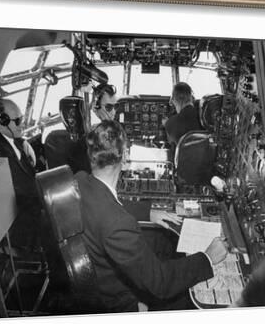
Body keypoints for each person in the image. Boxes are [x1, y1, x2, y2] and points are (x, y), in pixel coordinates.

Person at [74, 120, 228, 312]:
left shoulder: (79, 180)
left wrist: (149, 212)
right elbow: (160, 283)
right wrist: (208, 258)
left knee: (162, 242)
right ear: (125, 157)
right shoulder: (118, 224)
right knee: (183, 301)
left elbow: (105, 203)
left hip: (94, 268)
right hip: (116, 300)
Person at [0, 98, 40, 248]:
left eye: (22, 119)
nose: (22, 124)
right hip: (21, 225)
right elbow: (18, 190)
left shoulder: (17, 141)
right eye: (17, 121)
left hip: (32, 206)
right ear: (1, 122)